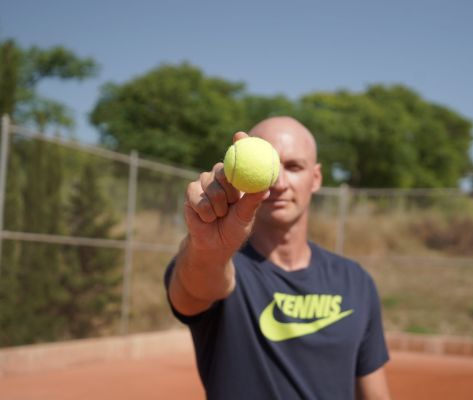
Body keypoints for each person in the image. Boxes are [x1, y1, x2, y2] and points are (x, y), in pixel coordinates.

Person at [165, 116, 392, 399]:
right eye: (273, 167)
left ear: (316, 178)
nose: (281, 183)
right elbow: (194, 289)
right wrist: (208, 248)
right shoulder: (220, 264)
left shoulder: (356, 281)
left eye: (294, 167)